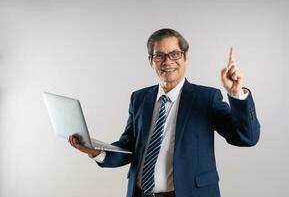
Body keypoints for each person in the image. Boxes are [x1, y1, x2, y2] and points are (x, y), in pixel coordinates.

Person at [69, 28, 260, 197]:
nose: (168, 61)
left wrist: (236, 94)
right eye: (159, 55)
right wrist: (96, 152)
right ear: (151, 61)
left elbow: (246, 138)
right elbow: (129, 148)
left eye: (175, 54)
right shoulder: (139, 98)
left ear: (185, 57)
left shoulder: (206, 98)